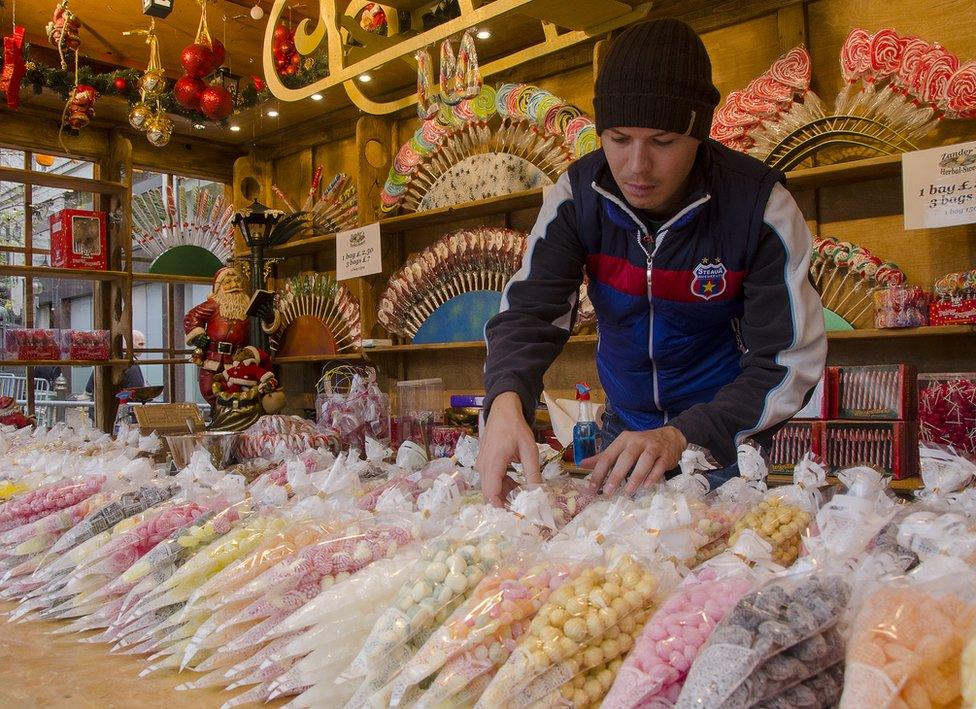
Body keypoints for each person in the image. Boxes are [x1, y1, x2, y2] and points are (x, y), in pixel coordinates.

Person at [478, 18, 826, 506]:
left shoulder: (758, 206)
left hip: (723, 447)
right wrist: (505, 399)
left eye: (662, 142)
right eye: (618, 139)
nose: (637, 166)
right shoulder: (577, 196)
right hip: (620, 438)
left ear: (698, 132)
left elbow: (788, 362)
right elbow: (529, 313)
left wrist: (685, 435)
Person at [183, 267, 252, 406]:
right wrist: (197, 335)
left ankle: (229, 415)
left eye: (237, 281)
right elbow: (192, 316)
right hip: (213, 358)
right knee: (209, 389)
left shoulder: (248, 306)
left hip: (237, 360)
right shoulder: (213, 305)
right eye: (228, 282)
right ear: (219, 287)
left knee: (236, 391)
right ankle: (218, 414)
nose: (234, 285)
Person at [86, 330, 146, 395]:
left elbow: (88, 391)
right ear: (128, 343)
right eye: (140, 344)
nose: (144, 348)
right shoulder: (131, 366)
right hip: (122, 403)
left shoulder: (103, 363)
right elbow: (138, 394)